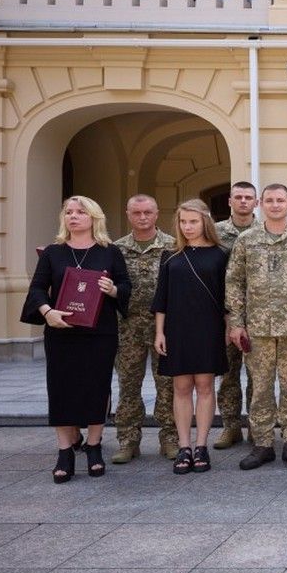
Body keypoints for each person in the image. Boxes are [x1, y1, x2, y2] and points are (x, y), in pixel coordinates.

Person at [22, 196, 131, 483]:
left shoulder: (110, 252)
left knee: (97, 386)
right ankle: (64, 452)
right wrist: (47, 312)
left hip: (100, 332)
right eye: (69, 212)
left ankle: (94, 446)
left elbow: (126, 286)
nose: (73, 216)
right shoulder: (53, 253)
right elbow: (36, 290)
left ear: (94, 217)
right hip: (61, 333)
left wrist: (113, 290)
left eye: (80, 212)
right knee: (61, 388)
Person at [226, 184, 287, 470]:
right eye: (270, 200)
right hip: (258, 328)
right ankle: (263, 443)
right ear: (260, 204)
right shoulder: (246, 240)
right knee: (261, 387)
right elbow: (234, 283)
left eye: (281, 200)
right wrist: (236, 323)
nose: (275, 205)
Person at [152, 199, 229, 474]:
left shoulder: (221, 255)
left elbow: (226, 298)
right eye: (183, 222)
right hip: (176, 328)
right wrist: (159, 332)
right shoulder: (170, 256)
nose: (188, 227)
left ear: (205, 221)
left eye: (193, 221)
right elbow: (161, 296)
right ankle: (184, 447)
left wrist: (229, 329)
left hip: (208, 328)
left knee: (205, 386)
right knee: (181, 387)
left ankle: (201, 446)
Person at [110, 194, 177, 464]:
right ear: (128, 214)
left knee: (168, 385)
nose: (142, 217)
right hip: (127, 327)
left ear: (157, 213)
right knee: (128, 385)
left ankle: (170, 438)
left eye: (148, 212)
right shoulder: (115, 250)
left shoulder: (172, 247)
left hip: (165, 327)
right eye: (137, 213)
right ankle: (128, 440)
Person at [214, 181, 258, 450]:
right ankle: (230, 426)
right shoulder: (215, 233)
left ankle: (257, 426)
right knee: (228, 373)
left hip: (258, 314)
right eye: (238, 197)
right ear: (230, 201)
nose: (243, 201)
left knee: (257, 374)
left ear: (256, 203)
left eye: (248, 197)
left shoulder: (265, 232)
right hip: (223, 313)